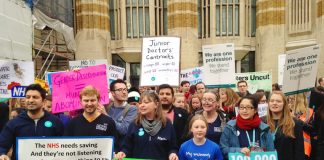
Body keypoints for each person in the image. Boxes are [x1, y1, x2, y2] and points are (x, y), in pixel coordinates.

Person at [0, 84, 64, 160]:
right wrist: (2, 154)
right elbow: (2, 144)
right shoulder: (14, 123)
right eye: (28, 97)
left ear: (44, 101)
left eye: (35, 97)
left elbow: (64, 145)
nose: (30, 100)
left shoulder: (55, 122)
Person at [115, 91, 178, 160]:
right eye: (140, 103)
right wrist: (123, 152)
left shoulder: (167, 124)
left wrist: (173, 154)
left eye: (146, 102)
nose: (142, 105)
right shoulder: (134, 124)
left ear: (156, 104)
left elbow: (173, 147)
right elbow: (127, 146)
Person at [266, 91, 304, 160]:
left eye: (278, 101)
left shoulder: (294, 124)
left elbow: (299, 151)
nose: (274, 103)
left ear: (284, 104)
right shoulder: (262, 122)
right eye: (272, 101)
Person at [107, 79, 137, 150]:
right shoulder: (107, 107)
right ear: (112, 93)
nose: (124, 92)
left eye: (125, 89)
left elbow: (124, 130)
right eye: (120, 90)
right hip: (107, 148)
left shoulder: (132, 109)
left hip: (122, 152)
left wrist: (106, 116)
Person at [290, 93, 314, 159]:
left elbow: (313, 129)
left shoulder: (309, 112)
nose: (290, 100)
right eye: (289, 98)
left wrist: (296, 120)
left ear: (299, 100)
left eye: (293, 99)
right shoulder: (287, 111)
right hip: (289, 145)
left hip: (304, 148)